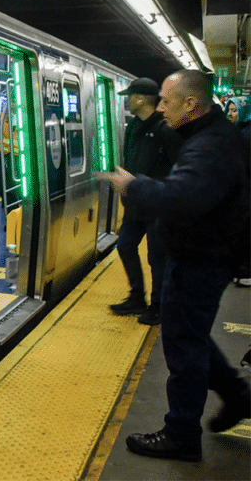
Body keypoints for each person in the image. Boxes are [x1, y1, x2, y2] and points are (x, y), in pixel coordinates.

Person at [96, 69, 251, 463]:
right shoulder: (208, 136)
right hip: (206, 254)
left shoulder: (209, 146)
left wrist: (132, 186)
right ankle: (238, 397)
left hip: (202, 258)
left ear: (190, 104)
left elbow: (183, 197)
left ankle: (181, 433)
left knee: (183, 348)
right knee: (191, 337)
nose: (159, 107)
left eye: (166, 100)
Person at [109, 77, 179, 325]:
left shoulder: (165, 129)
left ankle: (158, 306)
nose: (127, 100)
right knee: (125, 246)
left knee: (157, 257)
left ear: (140, 99)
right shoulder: (132, 128)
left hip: (158, 205)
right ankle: (137, 296)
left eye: (129, 96)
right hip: (136, 203)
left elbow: (177, 167)